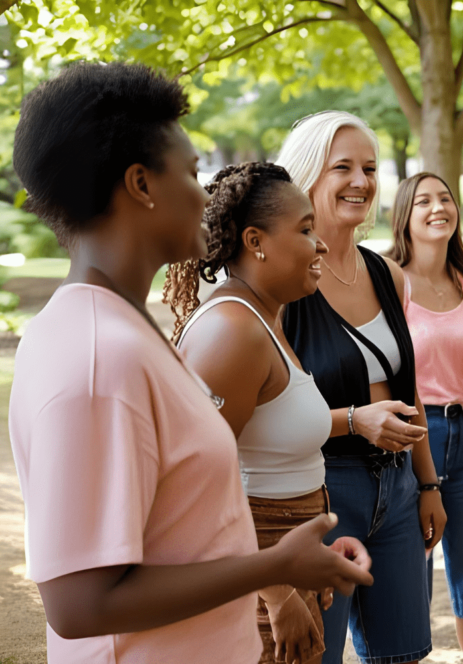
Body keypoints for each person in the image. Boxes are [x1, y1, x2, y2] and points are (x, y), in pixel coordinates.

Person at [8, 62, 372, 663]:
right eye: (194, 174)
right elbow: (80, 605)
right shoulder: (100, 360)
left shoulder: (123, 329)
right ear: (142, 185)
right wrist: (273, 568)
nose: (206, 197)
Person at [165, 162, 360, 663]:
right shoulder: (233, 332)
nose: (319, 244)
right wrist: (276, 593)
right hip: (259, 580)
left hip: (286, 559)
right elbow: (196, 484)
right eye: (305, 229)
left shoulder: (263, 317)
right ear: (256, 242)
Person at [276, 111, 447, 664]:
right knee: (317, 654)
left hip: (397, 490)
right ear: (306, 176)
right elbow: (263, 418)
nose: (361, 181)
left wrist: (427, 484)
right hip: (321, 492)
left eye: (369, 168)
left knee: (403, 654)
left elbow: (409, 388)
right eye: (341, 167)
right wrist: (354, 419)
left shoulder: (387, 274)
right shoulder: (282, 282)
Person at [390, 172, 463, 664]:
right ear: (404, 217)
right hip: (414, 435)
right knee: (414, 570)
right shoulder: (389, 281)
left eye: (446, 198)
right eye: (424, 201)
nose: (439, 208)